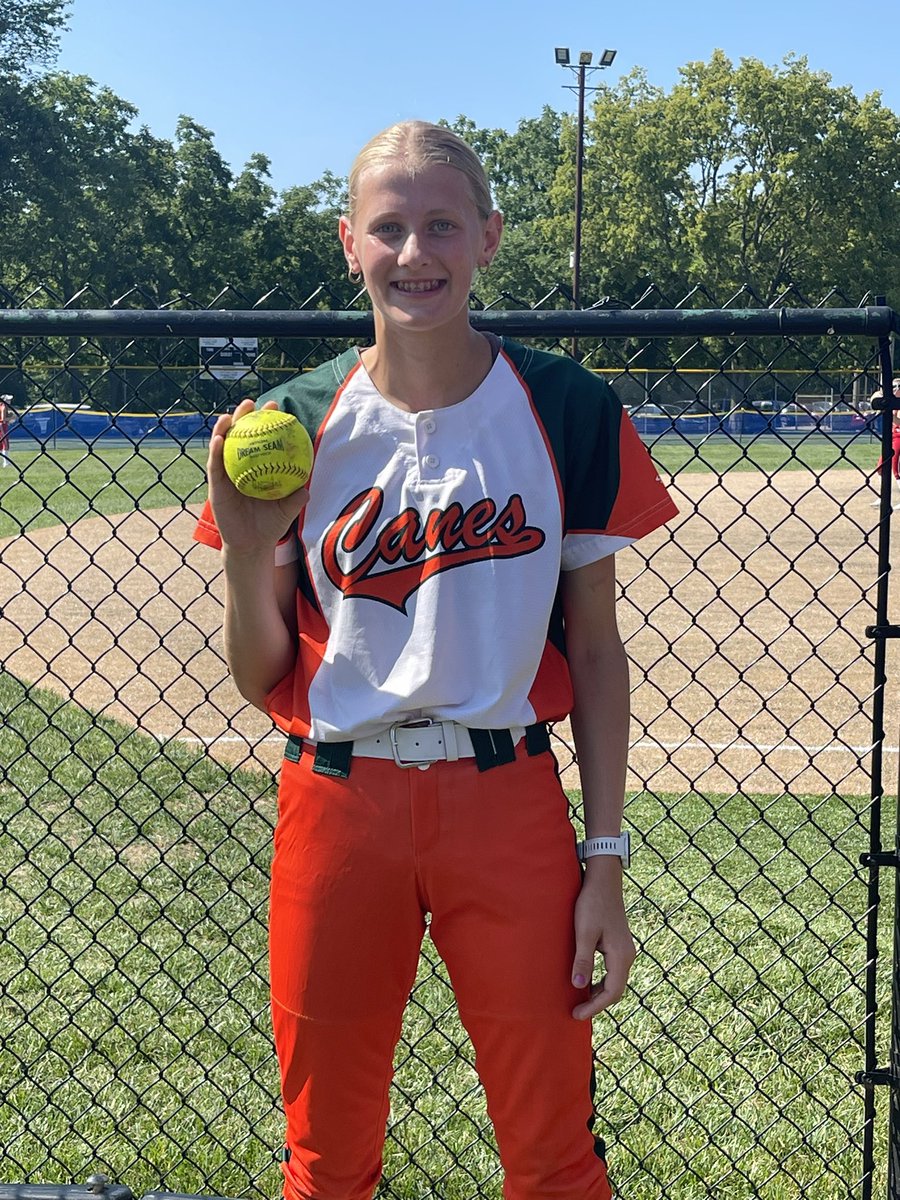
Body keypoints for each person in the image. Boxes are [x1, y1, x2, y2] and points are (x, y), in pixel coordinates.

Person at [194, 120, 678, 1200]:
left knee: (553, 1154)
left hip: (508, 802)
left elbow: (596, 653)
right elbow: (258, 669)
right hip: (337, 802)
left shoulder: (564, 405)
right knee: (326, 1159)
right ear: (348, 243)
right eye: (390, 228)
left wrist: (605, 858)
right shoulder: (291, 422)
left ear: (490, 237)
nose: (417, 253)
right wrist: (245, 552)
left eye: (443, 225)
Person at [869, 378, 900, 508]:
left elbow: (898, 423)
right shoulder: (893, 402)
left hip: (899, 437)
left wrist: (888, 412)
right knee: (881, 467)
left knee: (895, 469)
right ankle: (883, 497)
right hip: (892, 437)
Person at [0, 395, 14, 467]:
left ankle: (6, 461)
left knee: (2, 444)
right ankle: (6, 463)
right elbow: (3, 419)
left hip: (2, 426)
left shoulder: (2, 406)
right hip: (2, 426)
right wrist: (11, 417)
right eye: (8, 400)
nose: (10, 401)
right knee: (5, 444)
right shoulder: (4, 406)